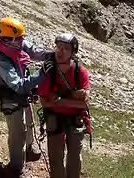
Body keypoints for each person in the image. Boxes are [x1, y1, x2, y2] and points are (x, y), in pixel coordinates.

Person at [0, 17, 54, 178]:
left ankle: (30, 149)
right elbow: (19, 85)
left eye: (21, 38)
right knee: (17, 133)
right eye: (18, 39)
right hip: (11, 100)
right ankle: (16, 168)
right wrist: (41, 74)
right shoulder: (1, 60)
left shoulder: (16, 45)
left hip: (24, 96)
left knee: (29, 125)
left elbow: (33, 51)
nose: (22, 41)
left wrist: (50, 55)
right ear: (7, 39)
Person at [38, 33, 91, 178]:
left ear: (73, 52)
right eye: (58, 47)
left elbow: (85, 103)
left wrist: (59, 101)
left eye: (65, 49)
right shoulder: (49, 71)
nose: (60, 52)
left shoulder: (80, 72)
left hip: (73, 119)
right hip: (55, 119)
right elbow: (43, 101)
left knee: (75, 157)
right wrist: (74, 99)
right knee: (55, 158)